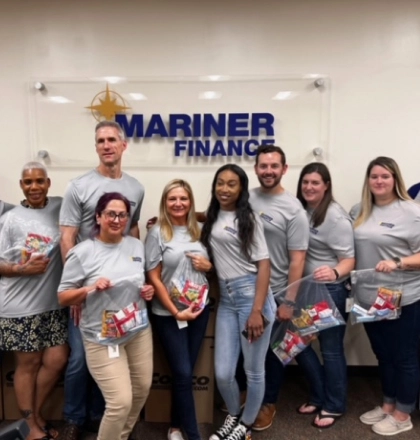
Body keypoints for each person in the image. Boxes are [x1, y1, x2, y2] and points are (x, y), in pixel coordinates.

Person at [58, 121, 145, 440]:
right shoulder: (78, 186)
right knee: (81, 358)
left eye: (112, 140)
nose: (106, 145)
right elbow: (66, 236)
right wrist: (78, 291)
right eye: (100, 141)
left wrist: (138, 281)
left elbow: (132, 233)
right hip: (89, 290)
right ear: (96, 147)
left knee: (118, 357)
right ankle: (73, 417)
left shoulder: (135, 187)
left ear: (124, 145)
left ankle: (106, 417)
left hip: (121, 296)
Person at [201, 164, 276, 440]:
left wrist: (257, 311)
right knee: (222, 372)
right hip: (227, 300)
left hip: (252, 297)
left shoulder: (249, 219)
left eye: (231, 184)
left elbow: (264, 265)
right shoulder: (212, 215)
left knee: (253, 371)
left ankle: (244, 426)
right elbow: (214, 228)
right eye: (220, 183)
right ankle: (233, 415)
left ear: (241, 188)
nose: (224, 189)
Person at [0, 162, 68, 440]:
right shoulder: (10, 219)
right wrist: (21, 269)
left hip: (53, 305)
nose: (34, 187)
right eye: (28, 182)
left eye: (40, 181)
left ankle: (34, 415)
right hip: (19, 307)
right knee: (28, 365)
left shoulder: (61, 207)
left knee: (57, 359)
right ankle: (31, 426)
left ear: (49, 183)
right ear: (21, 186)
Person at [354, 156, 420, 436]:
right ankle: (388, 405)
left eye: (385, 176)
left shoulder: (411, 212)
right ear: (367, 181)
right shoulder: (359, 211)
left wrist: (399, 263)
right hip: (367, 298)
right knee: (383, 355)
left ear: (395, 180)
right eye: (374, 176)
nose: (379, 181)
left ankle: (403, 413)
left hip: (402, 297)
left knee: (404, 356)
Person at [145, 179, 212, 440]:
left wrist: (209, 267)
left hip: (199, 310)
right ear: (165, 202)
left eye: (183, 198)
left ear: (190, 202)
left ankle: (175, 426)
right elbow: (153, 276)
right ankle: (193, 434)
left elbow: (214, 265)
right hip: (169, 314)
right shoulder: (157, 232)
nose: (178, 203)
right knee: (183, 372)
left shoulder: (200, 230)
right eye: (172, 199)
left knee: (185, 373)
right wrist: (175, 312)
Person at [249, 145, 309, 431]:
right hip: (246, 288)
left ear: (284, 169)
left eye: (274, 166)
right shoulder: (246, 198)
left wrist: (288, 300)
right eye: (263, 166)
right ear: (256, 168)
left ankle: (268, 402)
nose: (268, 171)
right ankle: (250, 395)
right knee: (247, 347)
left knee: (271, 353)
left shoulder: (293, 208)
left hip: (275, 293)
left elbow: (298, 258)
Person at [293, 162, 355, 428]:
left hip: (329, 291)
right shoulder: (303, 209)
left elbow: (349, 260)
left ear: (326, 185)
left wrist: (334, 271)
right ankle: (319, 396)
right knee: (298, 343)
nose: (309, 187)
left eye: (315, 183)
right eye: (305, 182)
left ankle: (334, 405)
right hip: (305, 288)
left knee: (330, 350)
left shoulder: (335, 217)